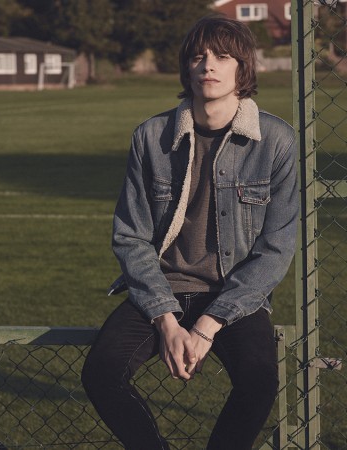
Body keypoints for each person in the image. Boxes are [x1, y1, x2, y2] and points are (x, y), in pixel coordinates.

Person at [81, 14, 298, 450]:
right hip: (161, 288)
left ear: (243, 68)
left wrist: (205, 327)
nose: (208, 66)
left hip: (231, 296)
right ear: (186, 68)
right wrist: (166, 320)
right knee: (101, 373)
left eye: (221, 56)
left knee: (259, 380)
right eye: (198, 56)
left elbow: (276, 249)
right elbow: (130, 236)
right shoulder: (151, 137)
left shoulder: (276, 141)